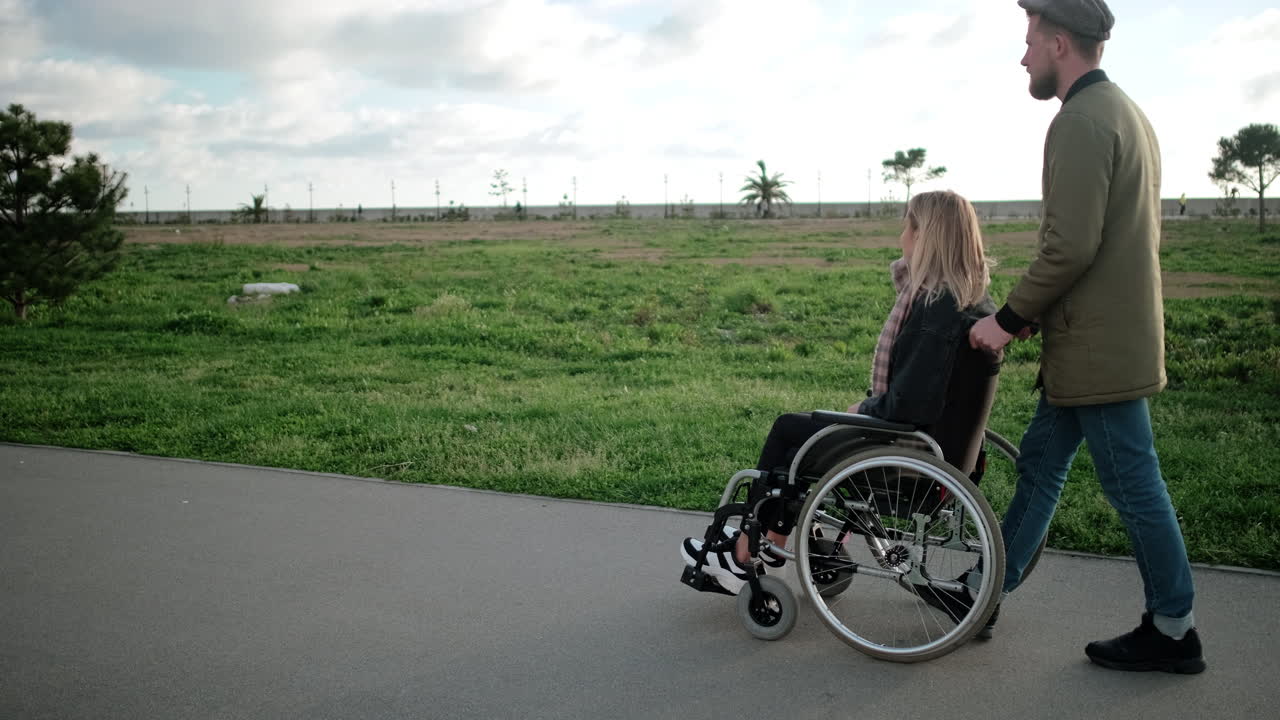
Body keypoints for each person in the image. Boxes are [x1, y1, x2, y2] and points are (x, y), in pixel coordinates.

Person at [966, 0, 1205, 674]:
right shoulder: (1125, 112)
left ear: (1060, 44)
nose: (1023, 56)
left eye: (1030, 41)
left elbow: (1069, 246)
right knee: (1041, 467)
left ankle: (1173, 628)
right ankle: (982, 593)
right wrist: (1036, 314)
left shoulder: (1078, 121)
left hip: (1098, 351)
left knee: (1134, 485)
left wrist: (1005, 319)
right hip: (1094, 343)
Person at [680, 190, 1001, 595]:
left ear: (924, 236)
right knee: (803, 437)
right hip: (946, 456)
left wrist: (865, 407)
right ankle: (772, 544)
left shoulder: (935, 309)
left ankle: (747, 555)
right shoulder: (974, 301)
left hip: (912, 457)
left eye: (907, 227)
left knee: (790, 432)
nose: (901, 237)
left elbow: (910, 404)